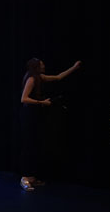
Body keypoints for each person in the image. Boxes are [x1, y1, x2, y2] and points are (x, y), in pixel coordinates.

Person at [19, 57, 81, 191]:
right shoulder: (32, 79)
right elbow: (24, 99)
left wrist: (74, 68)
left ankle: (32, 177)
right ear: (36, 67)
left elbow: (58, 77)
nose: (44, 66)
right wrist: (42, 103)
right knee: (29, 146)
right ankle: (25, 177)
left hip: (36, 116)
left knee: (36, 146)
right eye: (41, 64)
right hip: (29, 116)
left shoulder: (39, 77)